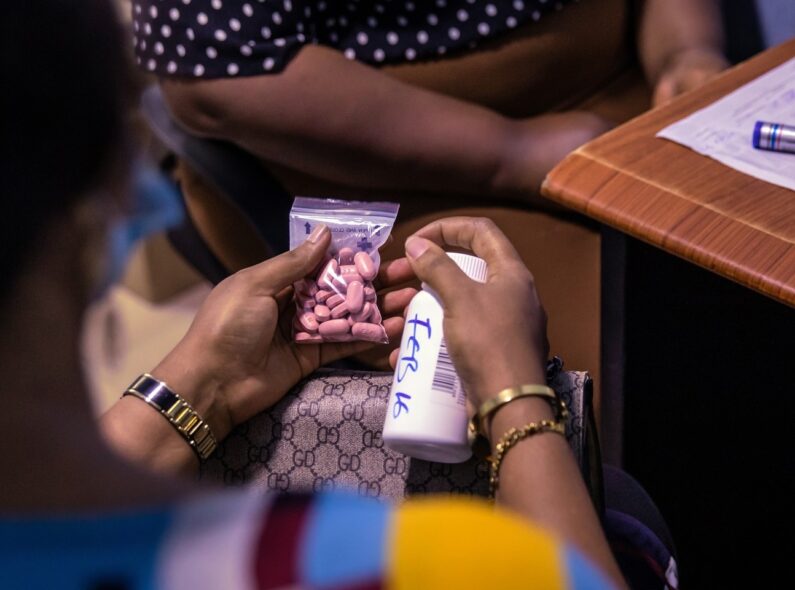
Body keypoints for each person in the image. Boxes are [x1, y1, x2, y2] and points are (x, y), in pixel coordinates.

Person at [1, 1, 629, 588]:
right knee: (627, 503)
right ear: (111, 202)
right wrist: (516, 402)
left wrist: (202, 389)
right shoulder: (414, 559)